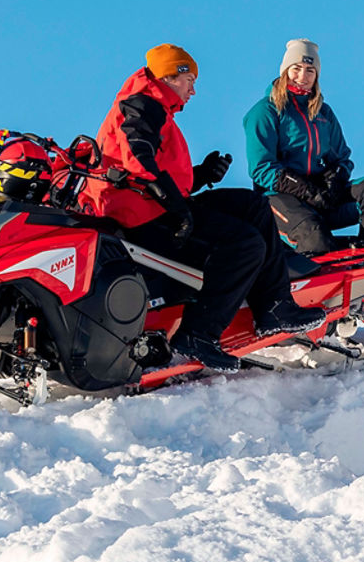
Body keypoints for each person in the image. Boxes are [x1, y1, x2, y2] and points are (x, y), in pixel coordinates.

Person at [82, 44, 325, 372]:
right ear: (171, 77)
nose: (193, 90)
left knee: (252, 205)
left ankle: (274, 307)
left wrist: (200, 175)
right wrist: (177, 209)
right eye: (189, 81)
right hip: (143, 218)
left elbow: (154, 171)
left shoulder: (154, 105)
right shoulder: (141, 104)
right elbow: (138, 160)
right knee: (244, 245)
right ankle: (197, 334)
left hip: (156, 205)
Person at [242, 38, 364, 254]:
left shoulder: (323, 113)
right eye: (296, 69)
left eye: (310, 71)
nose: (302, 77)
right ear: (285, 71)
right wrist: (305, 190)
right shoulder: (265, 111)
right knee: (315, 237)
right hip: (277, 198)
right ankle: (316, 269)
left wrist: (333, 181)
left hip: (320, 196)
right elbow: (261, 168)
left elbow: (342, 158)